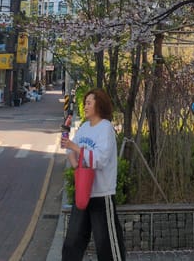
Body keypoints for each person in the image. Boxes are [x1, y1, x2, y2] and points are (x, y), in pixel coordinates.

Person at [61, 88, 126, 261]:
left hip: (101, 195)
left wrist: (76, 149)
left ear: (99, 105)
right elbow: (70, 150)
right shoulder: (83, 127)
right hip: (82, 194)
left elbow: (100, 159)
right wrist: (76, 164)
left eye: (89, 102)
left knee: (107, 245)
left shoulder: (105, 129)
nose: (86, 106)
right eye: (85, 103)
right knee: (72, 242)